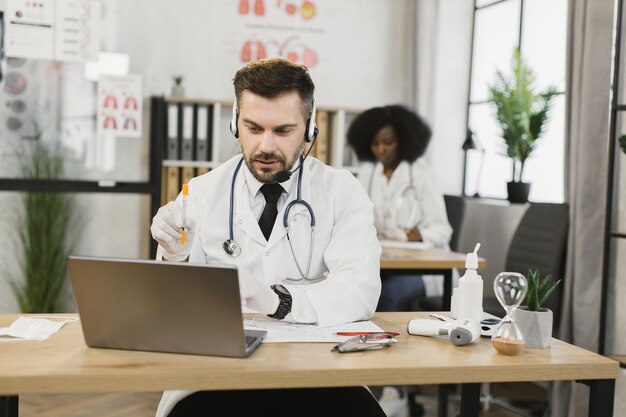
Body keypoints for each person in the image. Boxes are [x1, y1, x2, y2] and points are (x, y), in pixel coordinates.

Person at [150, 58, 384, 417]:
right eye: (253, 128)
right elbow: (170, 310)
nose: (266, 146)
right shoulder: (199, 192)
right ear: (235, 122)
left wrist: (280, 301)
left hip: (322, 372)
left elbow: (359, 290)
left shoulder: (342, 192)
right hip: (218, 377)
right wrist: (174, 257)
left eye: (283, 130)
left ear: (309, 127)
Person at [347, 104, 452, 312]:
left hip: (423, 269)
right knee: (354, 290)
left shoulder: (421, 173)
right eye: (375, 144)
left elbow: (443, 230)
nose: (381, 150)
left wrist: (420, 235)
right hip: (383, 260)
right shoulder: (369, 172)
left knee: (387, 295)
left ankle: (384, 342)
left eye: (388, 142)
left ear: (403, 140)